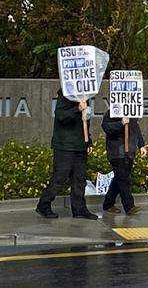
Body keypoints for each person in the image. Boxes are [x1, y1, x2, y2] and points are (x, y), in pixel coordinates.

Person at [35, 89, 97, 220]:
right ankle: (43, 205)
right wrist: (77, 109)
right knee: (59, 178)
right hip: (64, 145)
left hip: (80, 145)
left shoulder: (85, 97)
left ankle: (79, 209)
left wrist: (88, 141)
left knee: (79, 179)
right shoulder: (65, 95)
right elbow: (61, 116)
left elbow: (84, 122)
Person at [101, 113, 146, 215]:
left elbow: (136, 128)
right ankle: (129, 206)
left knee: (119, 178)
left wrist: (141, 145)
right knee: (123, 179)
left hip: (129, 152)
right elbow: (106, 127)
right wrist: (120, 123)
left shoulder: (132, 112)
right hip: (116, 151)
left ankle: (108, 204)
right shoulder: (112, 112)